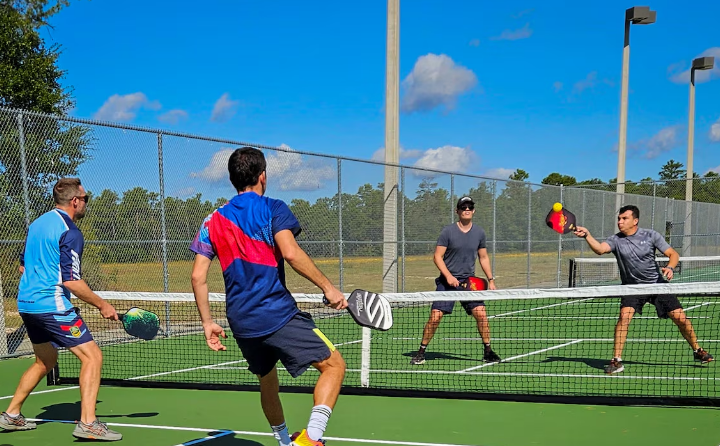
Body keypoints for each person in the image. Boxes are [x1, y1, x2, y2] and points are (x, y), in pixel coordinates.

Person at [190, 147, 348, 446]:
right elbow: (290, 252)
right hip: (276, 313)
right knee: (334, 365)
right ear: (262, 175)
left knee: (268, 380)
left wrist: (208, 322)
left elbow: (198, 276)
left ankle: (284, 442)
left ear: (232, 178)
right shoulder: (273, 208)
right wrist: (328, 287)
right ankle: (310, 439)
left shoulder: (212, 220)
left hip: (241, 321)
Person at [0, 178, 122, 441]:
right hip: (51, 305)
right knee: (92, 357)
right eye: (86, 198)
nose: (87, 203)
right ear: (75, 201)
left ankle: (11, 414)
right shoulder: (71, 231)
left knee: (46, 360)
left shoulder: (37, 224)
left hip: (26, 304)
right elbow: (71, 280)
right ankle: (88, 423)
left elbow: (23, 266)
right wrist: (102, 304)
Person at [573, 204, 714, 374]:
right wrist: (587, 235)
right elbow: (600, 249)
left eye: (624, 218)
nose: (620, 222)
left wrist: (670, 267)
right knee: (624, 318)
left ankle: (697, 350)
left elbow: (673, 254)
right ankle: (616, 360)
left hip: (656, 284)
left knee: (681, 319)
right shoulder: (615, 240)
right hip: (632, 288)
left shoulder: (650, 235)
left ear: (635, 221)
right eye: (619, 218)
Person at [410, 196, 501, 366]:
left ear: (473, 211)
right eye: (463, 207)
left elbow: (483, 257)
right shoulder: (448, 232)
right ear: (457, 211)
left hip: (469, 283)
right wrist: (448, 276)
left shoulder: (479, 233)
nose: (467, 210)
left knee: (481, 314)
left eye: (470, 207)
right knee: (435, 317)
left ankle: (488, 351)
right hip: (447, 282)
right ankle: (421, 352)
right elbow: (437, 257)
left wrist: (491, 279)